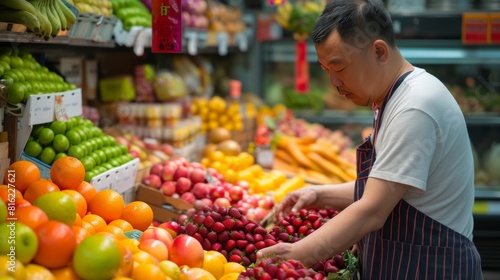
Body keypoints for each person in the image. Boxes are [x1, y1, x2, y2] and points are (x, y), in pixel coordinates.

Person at [256, 0, 484, 279]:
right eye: (326, 70)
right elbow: (388, 185)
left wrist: (296, 256)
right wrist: (317, 194)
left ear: (379, 51)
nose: (334, 83)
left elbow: (372, 210)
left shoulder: (415, 106)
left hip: (433, 267)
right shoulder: (393, 97)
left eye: (339, 68)